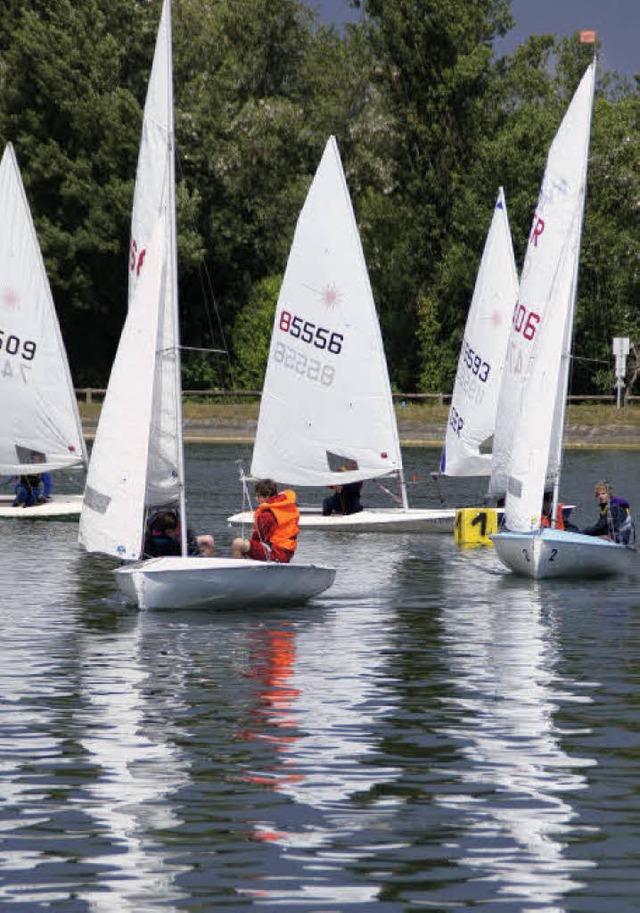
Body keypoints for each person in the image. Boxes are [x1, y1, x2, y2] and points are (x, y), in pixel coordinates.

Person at [231, 479, 299, 563]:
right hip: (287, 552)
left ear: (266, 496)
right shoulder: (287, 506)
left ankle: (239, 574)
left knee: (238, 544)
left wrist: (249, 547)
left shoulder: (267, 514)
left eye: (258, 496)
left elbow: (258, 537)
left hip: (275, 553)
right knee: (248, 545)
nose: (256, 499)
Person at [143, 510, 215, 558]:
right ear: (166, 531)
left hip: (177, 551)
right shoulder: (150, 532)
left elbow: (193, 550)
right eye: (171, 532)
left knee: (208, 540)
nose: (176, 533)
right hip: (157, 555)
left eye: (177, 530)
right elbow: (146, 553)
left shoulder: (184, 530)